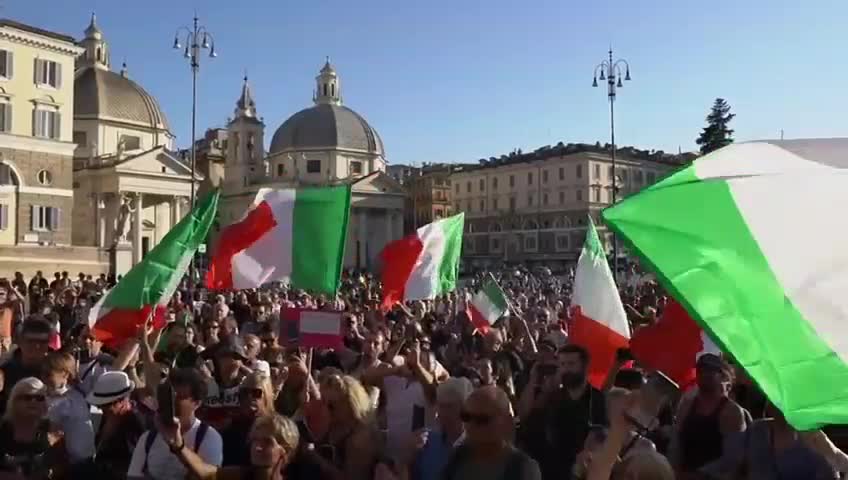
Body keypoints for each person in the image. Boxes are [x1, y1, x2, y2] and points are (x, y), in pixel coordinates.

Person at [127, 368, 223, 480]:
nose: (172, 402)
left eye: (180, 397)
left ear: (197, 403)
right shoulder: (148, 438)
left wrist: (178, 446)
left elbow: (210, 475)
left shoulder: (208, 437)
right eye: (169, 396)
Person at [441, 385, 541, 480]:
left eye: (482, 419)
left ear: (506, 422)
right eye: (466, 417)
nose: (471, 425)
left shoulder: (522, 468)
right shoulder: (457, 458)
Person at [671, 354, 746, 477]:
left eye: (710, 370)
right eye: (700, 370)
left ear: (723, 376)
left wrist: (699, 474)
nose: (703, 374)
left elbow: (733, 460)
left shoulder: (732, 412)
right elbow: (675, 444)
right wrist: (673, 471)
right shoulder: (687, 405)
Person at [160, 413, 299, 480]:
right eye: (255, 440)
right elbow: (205, 471)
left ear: (285, 450)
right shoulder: (240, 475)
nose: (257, 447)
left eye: (267, 442)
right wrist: (178, 445)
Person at [402, 377, 473, 480]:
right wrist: (408, 458)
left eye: (449, 406)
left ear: (465, 409)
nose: (441, 413)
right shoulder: (425, 442)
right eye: (440, 406)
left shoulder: (478, 448)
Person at [84, 371, 149, 480]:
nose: (100, 408)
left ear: (121, 401)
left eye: (105, 404)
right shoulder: (109, 415)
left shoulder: (135, 423)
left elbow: (133, 464)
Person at [0, 377, 65, 479]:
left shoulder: (53, 429)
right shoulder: (2, 427)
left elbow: (62, 466)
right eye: (27, 397)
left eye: (39, 398)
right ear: (14, 400)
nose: (33, 402)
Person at [42, 350, 95, 465]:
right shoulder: (65, 395)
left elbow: (53, 434)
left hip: (75, 463)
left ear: (65, 374)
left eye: (48, 374)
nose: (43, 378)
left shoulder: (68, 401)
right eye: (42, 373)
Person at [0, 317, 54, 414]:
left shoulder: (57, 370)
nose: (37, 346)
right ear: (20, 341)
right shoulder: (5, 372)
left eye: (42, 341)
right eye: (31, 341)